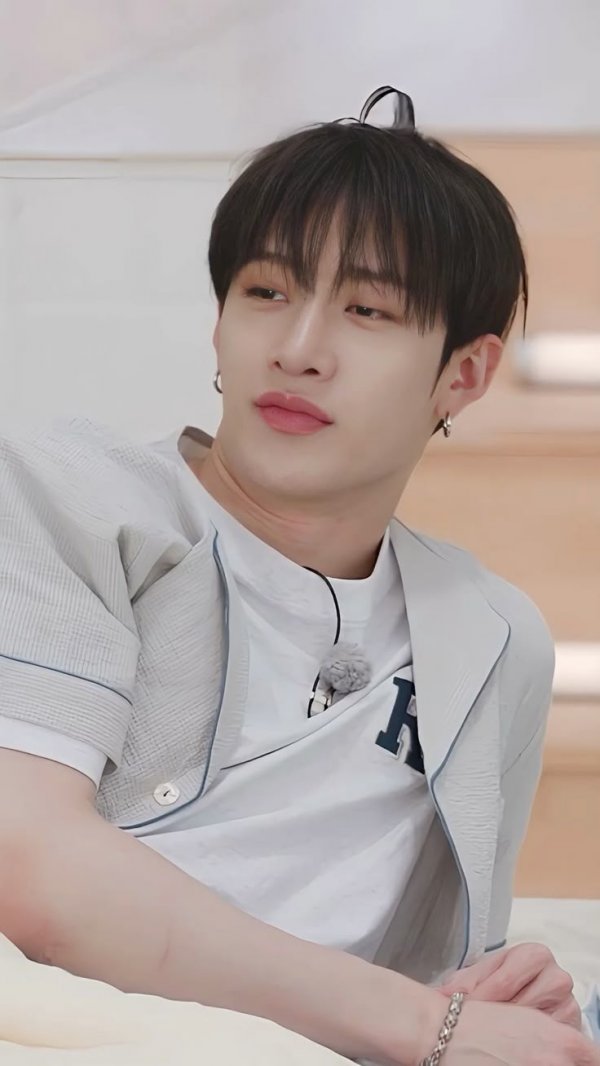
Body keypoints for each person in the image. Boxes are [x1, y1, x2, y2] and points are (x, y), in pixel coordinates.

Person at [0, 86, 596, 1066]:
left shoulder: (492, 639)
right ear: (220, 323)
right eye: (266, 293)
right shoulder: (64, 504)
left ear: (464, 375)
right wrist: (427, 1025)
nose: (299, 350)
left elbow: (440, 960)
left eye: (367, 309)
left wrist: (492, 998)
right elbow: (31, 870)